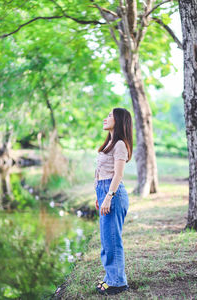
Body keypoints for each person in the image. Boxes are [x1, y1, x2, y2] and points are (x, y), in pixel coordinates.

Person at [94, 107, 133, 295]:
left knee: (112, 240)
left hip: (113, 194)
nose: (105, 118)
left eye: (109, 115)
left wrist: (108, 196)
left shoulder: (119, 144)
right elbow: (101, 172)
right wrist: (98, 196)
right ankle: (111, 278)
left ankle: (118, 283)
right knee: (106, 240)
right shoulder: (110, 143)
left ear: (118, 120)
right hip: (104, 192)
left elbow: (118, 174)